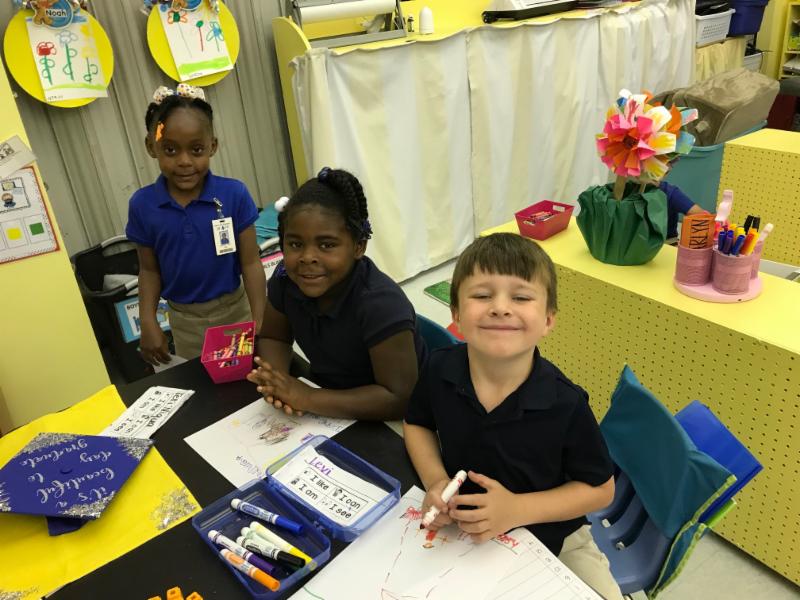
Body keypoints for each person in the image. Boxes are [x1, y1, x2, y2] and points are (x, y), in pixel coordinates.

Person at [404, 233, 623, 600]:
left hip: (554, 535)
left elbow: (601, 490)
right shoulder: (440, 369)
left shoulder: (565, 403)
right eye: (481, 295)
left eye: (520, 297)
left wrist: (517, 509)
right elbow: (417, 423)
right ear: (456, 314)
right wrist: (436, 480)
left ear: (548, 320)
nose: (500, 308)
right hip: (462, 524)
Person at [247, 167, 427, 421]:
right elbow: (273, 337)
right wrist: (275, 382)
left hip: (396, 419)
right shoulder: (285, 279)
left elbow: (399, 398)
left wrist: (307, 397)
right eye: (295, 244)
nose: (307, 257)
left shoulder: (381, 304)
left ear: (358, 246)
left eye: (326, 245)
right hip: (329, 402)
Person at [126, 84, 265, 362]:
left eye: (197, 149)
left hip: (236, 313)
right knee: (201, 383)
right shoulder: (143, 205)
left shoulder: (234, 194)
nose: (185, 161)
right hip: (184, 321)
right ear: (151, 146)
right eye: (170, 149)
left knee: (246, 377)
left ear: (212, 146)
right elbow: (149, 270)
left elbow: (251, 263)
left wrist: (261, 320)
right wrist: (149, 321)